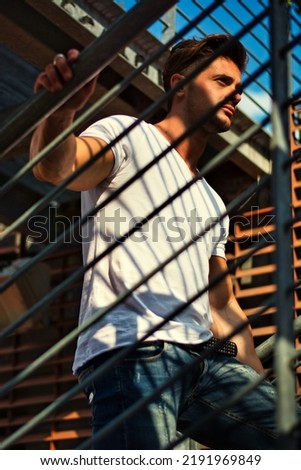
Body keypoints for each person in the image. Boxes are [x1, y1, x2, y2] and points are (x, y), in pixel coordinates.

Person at [30, 34, 300, 449]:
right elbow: (58, 166)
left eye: (240, 86)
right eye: (223, 81)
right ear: (179, 84)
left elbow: (222, 304)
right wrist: (61, 107)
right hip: (133, 350)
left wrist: (259, 387)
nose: (238, 94)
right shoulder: (129, 135)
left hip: (204, 362)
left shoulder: (211, 200)